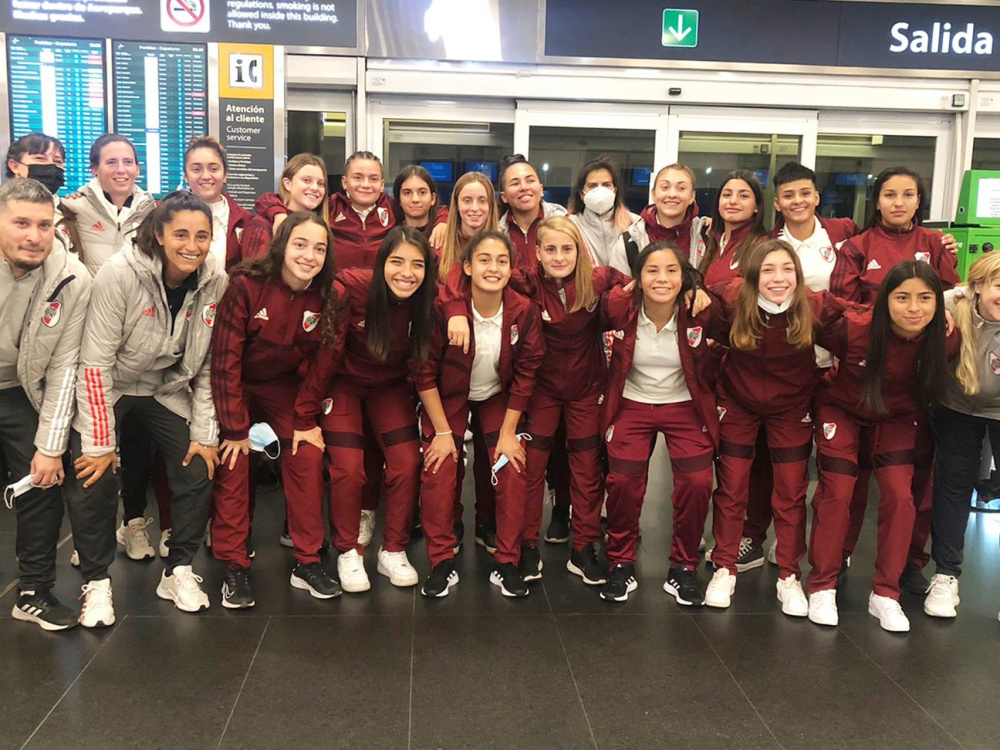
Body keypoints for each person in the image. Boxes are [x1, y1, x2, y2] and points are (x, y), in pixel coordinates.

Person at [66, 191, 227, 617]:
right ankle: (96, 581)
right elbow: (94, 363)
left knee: (198, 465)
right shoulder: (119, 273)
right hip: (111, 386)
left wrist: (205, 434)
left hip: (163, 388)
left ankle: (178, 571)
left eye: (201, 236)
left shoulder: (215, 279)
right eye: (180, 234)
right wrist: (100, 443)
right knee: (92, 471)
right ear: (159, 234)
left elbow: (207, 363)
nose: (192, 245)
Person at [832, 166, 961, 595]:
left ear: (919, 200)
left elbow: (950, 300)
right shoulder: (857, 246)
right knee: (850, 481)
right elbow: (842, 306)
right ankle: (839, 553)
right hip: (866, 375)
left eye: (908, 194)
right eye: (890, 194)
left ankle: (909, 562)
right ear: (878, 200)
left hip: (917, 382)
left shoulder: (934, 244)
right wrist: (886, 324)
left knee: (913, 485)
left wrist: (941, 316)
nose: (899, 202)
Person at [808, 261, 954, 632]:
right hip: (842, 410)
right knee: (838, 492)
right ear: (885, 299)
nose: (914, 308)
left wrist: (957, 304)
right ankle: (822, 584)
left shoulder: (946, 337)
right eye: (902, 298)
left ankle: (886, 593)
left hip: (896, 419)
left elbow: (976, 301)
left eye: (925, 298)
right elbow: (802, 306)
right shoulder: (853, 328)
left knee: (901, 497)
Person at [704, 239, 848, 613]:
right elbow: (699, 296)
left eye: (787, 269)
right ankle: (724, 567)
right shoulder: (733, 299)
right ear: (752, 276)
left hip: (791, 408)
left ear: (798, 275)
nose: (778, 278)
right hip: (739, 402)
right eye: (768, 270)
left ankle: (788, 574)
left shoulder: (815, 305)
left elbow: (864, 318)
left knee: (790, 491)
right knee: (732, 486)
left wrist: (947, 307)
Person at [293, 226, 435, 592]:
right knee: (348, 467)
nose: (407, 273)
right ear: (382, 262)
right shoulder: (353, 290)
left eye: (417, 265)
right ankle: (348, 551)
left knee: (407, 461)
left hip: (388, 388)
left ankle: (393, 549)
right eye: (397, 262)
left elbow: (423, 363)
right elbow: (327, 355)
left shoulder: (427, 299)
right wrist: (304, 415)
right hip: (343, 384)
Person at [210, 212, 340, 607]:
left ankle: (308, 560)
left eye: (319, 248)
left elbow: (323, 365)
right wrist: (236, 428)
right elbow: (224, 362)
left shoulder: (329, 296)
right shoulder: (246, 286)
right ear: (282, 245)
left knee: (308, 453)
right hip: (237, 386)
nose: (309, 255)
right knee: (235, 458)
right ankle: (234, 564)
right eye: (300, 244)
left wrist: (305, 419)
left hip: (283, 388)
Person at [416, 230, 545, 597]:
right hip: (449, 397)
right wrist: (443, 434)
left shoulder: (523, 311)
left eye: (502, 261)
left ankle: (506, 561)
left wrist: (508, 433)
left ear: (511, 268)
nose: (493, 267)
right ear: (468, 267)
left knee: (512, 465)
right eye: (484, 260)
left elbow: (526, 375)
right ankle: (441, 560)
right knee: (440, 466)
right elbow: (424, 372)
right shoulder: (444, 310)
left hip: (497, 397)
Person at [600, 242, 718, 603]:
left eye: (671, 270)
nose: (662, 278)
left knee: (697, 481)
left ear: (684, 278)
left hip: (684, 403)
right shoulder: (621, 307)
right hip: (632, 400)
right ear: (638, 278)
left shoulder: (700, 310)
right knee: (623, 481)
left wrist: (701, 289)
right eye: (652, 270)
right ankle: (620, 561)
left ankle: (683, 566)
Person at [0, 178, 91, 630]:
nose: (34, 236)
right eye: (21, 223)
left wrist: (50, 447)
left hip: (21, 387)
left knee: (41, 480)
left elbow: (65, 367)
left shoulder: (72, 277)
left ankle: (33, 592)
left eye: (43, 225)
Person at [925, 253, 1000, 620]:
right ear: (978, 286)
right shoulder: (951, 303)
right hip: (956, 406)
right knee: (953, 487)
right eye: (999, 286)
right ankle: (945, 575)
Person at [61, 134, 156, 275]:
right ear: (95, 170)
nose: (121, 170)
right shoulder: (73, 207)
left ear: (137, 169)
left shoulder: (152, 213)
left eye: (128, 162)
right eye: (111, 162)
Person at [620, 163, 710, 273]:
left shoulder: (707, 235)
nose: (672, 194)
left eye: (681, 188)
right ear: (653, 194)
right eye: (665, 187)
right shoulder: (630, 240)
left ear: (692, 196)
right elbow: (619, 282)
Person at [241, 153, 329, 262]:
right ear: (287, 184)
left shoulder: (321, 225)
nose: (315, 188)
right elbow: (252, 269)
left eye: (320, 183)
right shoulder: (262, 225)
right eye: (306, 180)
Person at [184, 136, 253, 271]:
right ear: (186, 176)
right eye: (196, 169)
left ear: (225, 174)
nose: (205, 176)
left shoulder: (245, 222)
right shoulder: (167, 215)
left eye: (213, 169)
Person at [698, 170, 769, 291]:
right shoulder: (710, 240)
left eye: (744, 196)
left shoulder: (763, 248)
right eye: (727, 195)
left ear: (756, 206)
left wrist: (706, 291)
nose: (733, 201)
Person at [566, 155, 637, 270]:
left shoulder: (635, 224)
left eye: (606, 185)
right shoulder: (570, 225)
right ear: (582, 194)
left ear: (615, 191)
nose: (599, 190)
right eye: (592, 186)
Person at [497, 155, 567, 267]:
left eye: (530, 181)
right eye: (515, 183)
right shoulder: (496, 232)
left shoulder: (565, 223)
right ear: (504, 196)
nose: (524, 187)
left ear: (541, 189)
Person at [438, 171, 500, 280]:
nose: (474, 208)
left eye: (482, 201)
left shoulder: (504, 247)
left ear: (490, 205)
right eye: (467, 201)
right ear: (457, 205)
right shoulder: (439, 245)